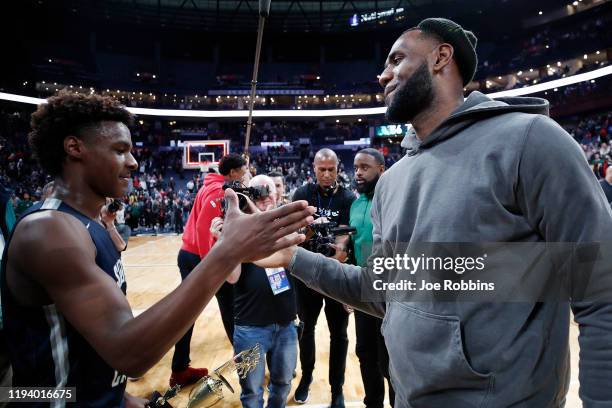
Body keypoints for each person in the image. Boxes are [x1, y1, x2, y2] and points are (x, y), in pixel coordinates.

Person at [259, 17, 612, 407]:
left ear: (441, 57)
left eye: (396, 60)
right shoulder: (391, 182)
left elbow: (602, 294)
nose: (382, 75)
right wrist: (292, 256)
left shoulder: (530, 141)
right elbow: (384, 292)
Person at [0, 91, 314, 408]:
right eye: (120, 151)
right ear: (74, 148)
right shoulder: (49, 230)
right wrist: (227, 252)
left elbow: (83, 342)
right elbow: (128, 354)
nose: (134, 162)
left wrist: (120, 397)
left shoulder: (87, 223)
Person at [213, 175, 298, 408]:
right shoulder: (238, 229)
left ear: (278, 194)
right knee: (251, 391)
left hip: (285, 323)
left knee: (282, 383)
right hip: (250, 326)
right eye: (258, 192)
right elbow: (232, 278)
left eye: (269, 190)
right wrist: (223, 240)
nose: (265, 196)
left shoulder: (286, 223)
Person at [170, 153, 248, 387]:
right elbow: (206, 229)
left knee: (191, 314)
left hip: (191, 255)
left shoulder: (214, 186)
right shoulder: (218, 191)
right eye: (243, 171)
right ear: (233, 173)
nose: (245, 175)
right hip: (200, 259)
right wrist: (209, 265)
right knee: (230, 309)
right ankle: (246, 364)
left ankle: (180, 369)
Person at [290, 148, 355, 408]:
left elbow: (347, 238)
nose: (327, 174)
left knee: (339, 334)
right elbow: (295, 233)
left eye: (331, 169)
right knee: (306, 329)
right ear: (314, 168)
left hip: (335, 274)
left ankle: (336, 388)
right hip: (306, 274)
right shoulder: (302, 195)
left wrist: (338, 252)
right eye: (322, 169)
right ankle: (306, 377)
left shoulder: (348, 198)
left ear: (338, 169)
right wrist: (307, 231)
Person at [349, 149, 394, 408]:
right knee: (365, 353)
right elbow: (355, 245)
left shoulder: (393, 199)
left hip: (391, 293)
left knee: (390, 358)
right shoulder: (356, 204)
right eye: (356, 167)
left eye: (365, 167)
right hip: (364, 289)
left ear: (381, 169)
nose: (358, 173)